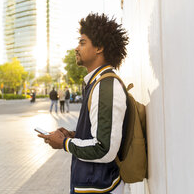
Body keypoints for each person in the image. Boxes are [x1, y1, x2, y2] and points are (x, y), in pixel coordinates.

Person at [38, 13, 129, 194]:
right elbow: (99, 133)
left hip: (101, 188)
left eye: (82, 42)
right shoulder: (98, 83)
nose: (76, 48)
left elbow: (104, 149)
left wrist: (65, 143)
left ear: (99, 48)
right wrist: (73, 134)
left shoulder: (105, 86)